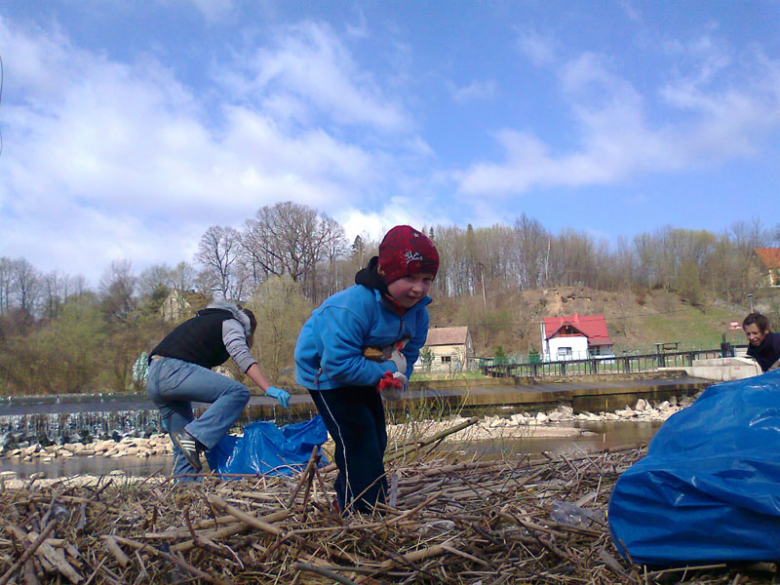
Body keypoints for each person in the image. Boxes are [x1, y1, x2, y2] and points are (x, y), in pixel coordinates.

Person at [294, 225, 439, 514]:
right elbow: (338, 365)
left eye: (426, 279)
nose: (418, 288)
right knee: (356, 435)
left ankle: (357, 496)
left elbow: (409, 352)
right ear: (386, 273)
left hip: (366, 367)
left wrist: (399, 380)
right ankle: (362, 510)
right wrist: (385, 372)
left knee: (376, 435)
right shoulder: (351, 308)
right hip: (325, 373)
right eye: (409, 277)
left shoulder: (417, 312)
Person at [146, 300, 290, 480]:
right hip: (173, 371)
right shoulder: (231, 322)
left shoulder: (203, 321)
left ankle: (184, 494)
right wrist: (269, 388)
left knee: (185, 452)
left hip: (154, 375)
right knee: (238, 392)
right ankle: (194, 436)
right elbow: (242, 356)